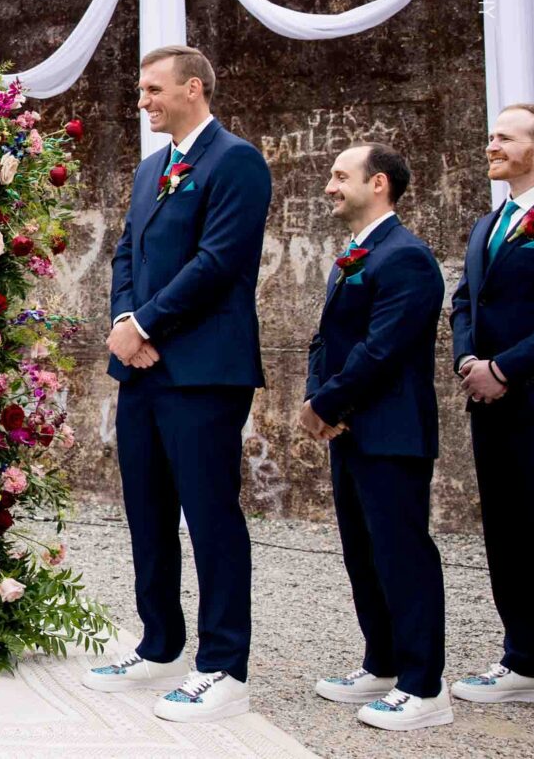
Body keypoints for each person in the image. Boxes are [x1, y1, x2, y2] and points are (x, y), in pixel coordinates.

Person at [82, 46, 271, 723]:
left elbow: (219, 261)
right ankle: (159, 639)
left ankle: (224, 665)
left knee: (211, 514)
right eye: (141, 90)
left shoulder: (236, 161)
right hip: (142, 368)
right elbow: (127, 250)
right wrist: (126, 322)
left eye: (154, 88)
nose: (143, 100)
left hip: (204, 369)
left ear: (194, 87)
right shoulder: (149, 169)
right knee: (148, 508)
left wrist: (149, 323)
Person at [302, 144, 449, 730]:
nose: (330, 186)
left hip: (391, 430)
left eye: (341, 176)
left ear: (379, 183)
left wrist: (326, 402)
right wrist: (318, 397)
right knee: (362, 552)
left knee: (402, 554)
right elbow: (324, 339)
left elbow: (384, 349)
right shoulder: (355, 253)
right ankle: (382, 662)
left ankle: (424, 686)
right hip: (350, 429)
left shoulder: (407, 256)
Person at [447, 103, 534, 705]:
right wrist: (469, 363)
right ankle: (523, 658)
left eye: (505, 137)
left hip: (532, 396)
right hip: (491, 406)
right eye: (490, 135)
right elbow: (462, 302)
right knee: (507, 531)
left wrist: (506, 367)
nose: (491, 145)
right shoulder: (487, 225)